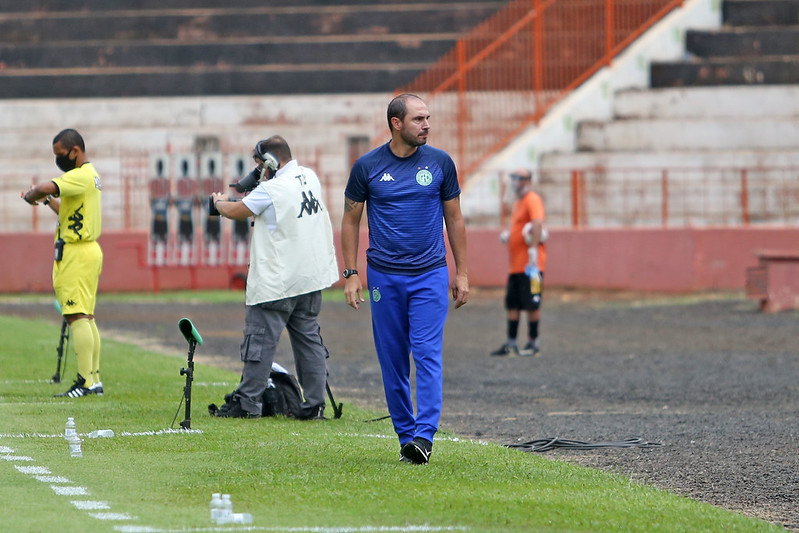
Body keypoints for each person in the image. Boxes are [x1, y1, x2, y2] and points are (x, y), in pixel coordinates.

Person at [341, 93, 469, 464]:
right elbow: (350, 220)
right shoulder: (366, 167)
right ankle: (406, 435)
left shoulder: (441, 163)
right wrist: (350, 275)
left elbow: (455, 219)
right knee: (393, 360)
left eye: (428, 118)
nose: (426, 125)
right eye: (418, 119)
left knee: (427, 354)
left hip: (430, 273)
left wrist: (461, 271)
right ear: (396, 124)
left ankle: (424, 437)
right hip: (383, 277)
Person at [210, 135, 338, 419]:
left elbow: (236, 211)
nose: (259, 171)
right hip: (309, 279)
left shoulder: (272, 189)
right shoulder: (309, 176)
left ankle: (247, 403)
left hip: (277, 282)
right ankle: (315, 404)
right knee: (309, 341)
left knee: (259, 341)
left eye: (260, 165)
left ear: (269, 161)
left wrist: (219, 203)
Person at [21, 128, 104, 397]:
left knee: (76, 315)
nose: (59, 160)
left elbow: (46, 186)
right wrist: (46, 202)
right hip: (87, 250)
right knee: (86, 316)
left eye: (60, 154)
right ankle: (94, 380)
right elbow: (67, 212)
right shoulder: (89, 178)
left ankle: (85, 383)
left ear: (75, 151)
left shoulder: (79, 175)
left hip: (77, 253)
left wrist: (34, 194)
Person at [490, 168, 547, 357]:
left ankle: (533, 342)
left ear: (528, 180)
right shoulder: (517, 203)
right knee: (512, 304)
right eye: (514, 178)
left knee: (532, 302)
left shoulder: (532, 199)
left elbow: (537, 223)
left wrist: (533, 249)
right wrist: (510, 235)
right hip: (515, 265)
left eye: (520, 178)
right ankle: (511, 343)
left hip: (531, 265)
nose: (516, 182)